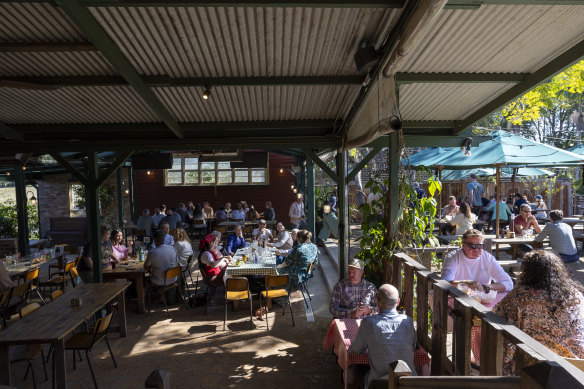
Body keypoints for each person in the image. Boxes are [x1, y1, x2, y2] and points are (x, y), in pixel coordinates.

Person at [493, 250, 584, 375]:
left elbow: (506, 338)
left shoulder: (517, 298)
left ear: (527, 272)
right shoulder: (575, 296)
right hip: (574, 367)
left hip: (531, 368)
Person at [350, 284, 417, 388]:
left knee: (359, 368)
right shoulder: (408, 321)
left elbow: (355, 350)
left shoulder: (369, 323)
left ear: (377, 301)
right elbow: (412, 347)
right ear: (398, 301)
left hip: (380, 384)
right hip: (409, 383)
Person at [442, 229, 513, 293]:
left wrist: (486, 287)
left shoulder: (487, 258)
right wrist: (464, 283)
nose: (476, 249)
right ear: (463, 245)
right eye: (472, 246)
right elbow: (444, 283)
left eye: (479, 246)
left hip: (482, 298)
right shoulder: (453, 257)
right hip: (458, 297)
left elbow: (508, 283)